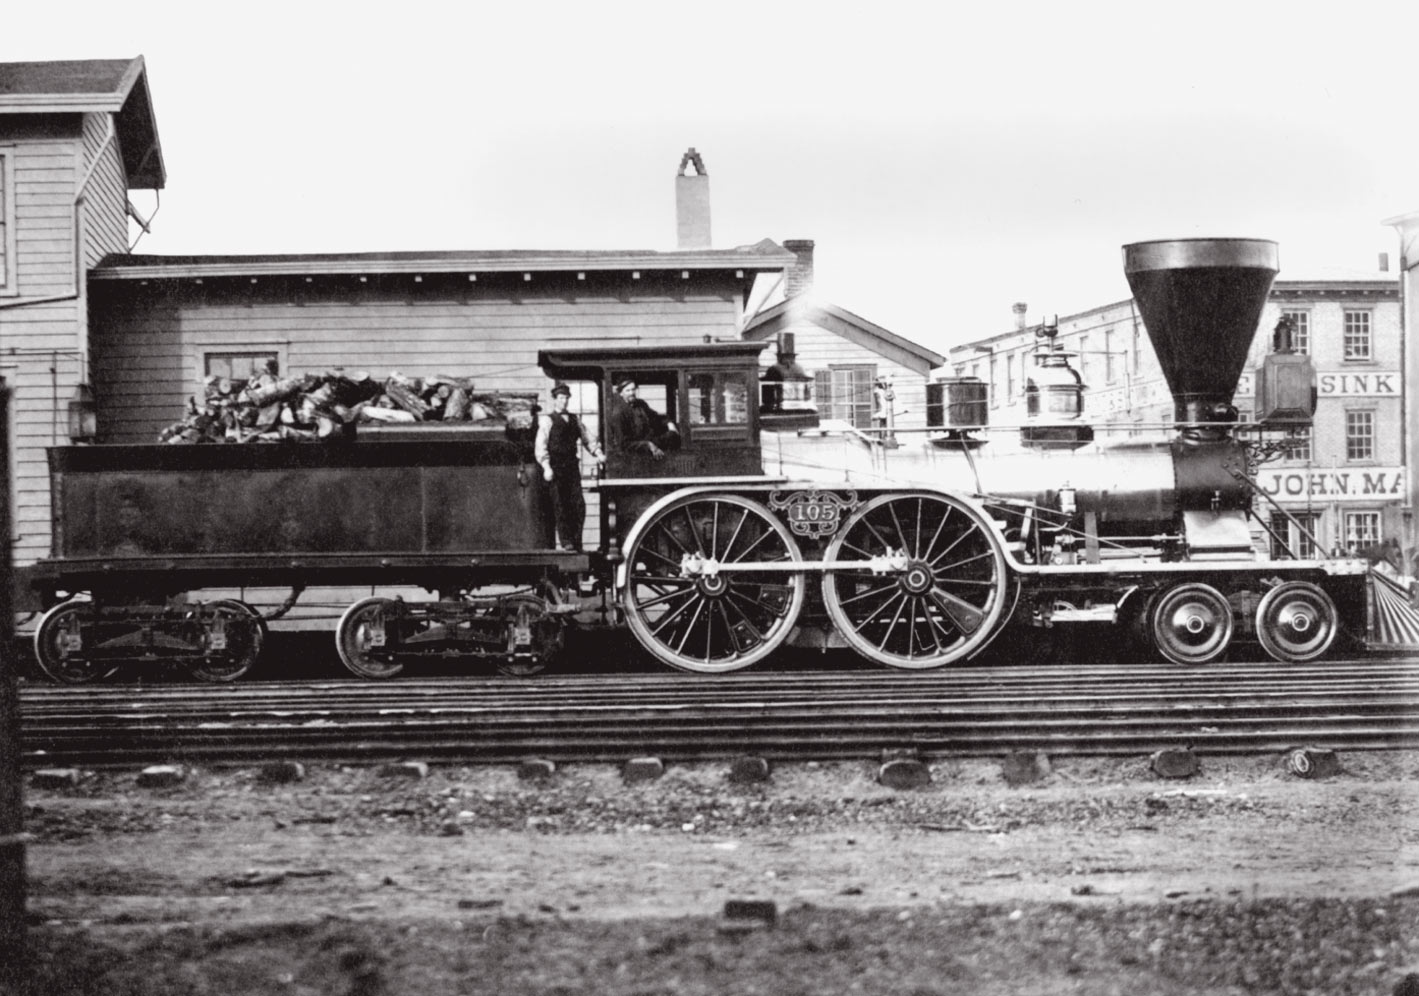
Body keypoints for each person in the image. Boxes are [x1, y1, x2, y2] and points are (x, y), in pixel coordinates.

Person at [534, 382, 605, 552]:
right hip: (555, 469)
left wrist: (598, 453)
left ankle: (576, 540)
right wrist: (546, 466)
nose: (564, 401)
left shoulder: (574, 419)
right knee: (560, 505)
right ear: (555, 400)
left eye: (566, 398)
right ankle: (566, 542)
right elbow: (540, 445)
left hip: (572, 468)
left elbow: (587, 438)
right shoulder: (547, 420)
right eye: (561, 398)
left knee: (578, 505)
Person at [609, 378, 680, 460]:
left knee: (673, 435)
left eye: (633, 389)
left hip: (651, 442)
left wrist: (669, 423)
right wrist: (648, 445)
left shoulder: (641, 404)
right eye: (627, 391)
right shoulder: (619, 413)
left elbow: (656, 417)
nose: (631, 393)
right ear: (621, 393)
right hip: (635, 455)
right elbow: (623, 444)